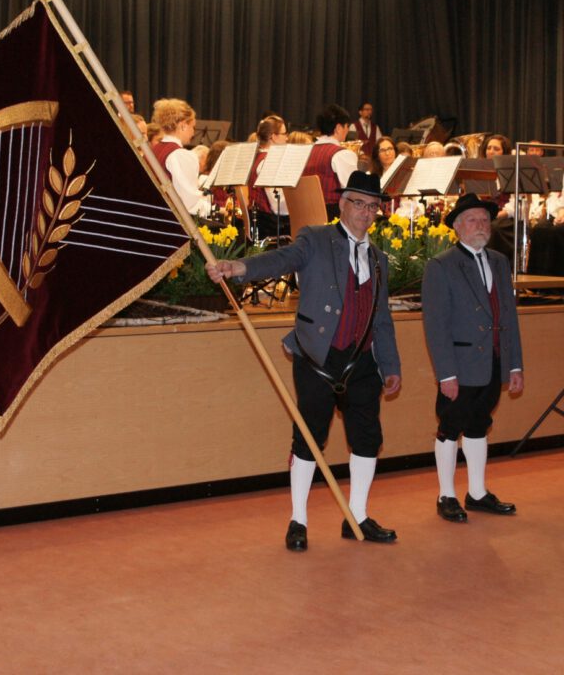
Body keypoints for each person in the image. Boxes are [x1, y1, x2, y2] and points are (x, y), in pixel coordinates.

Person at [207, 171, 402, 550]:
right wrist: (236, 268)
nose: (365, 212)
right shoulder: (316, 239)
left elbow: (382, 317)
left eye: (372, 206)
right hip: (317, 356)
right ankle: (298, 519)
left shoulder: (379, 259)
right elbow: (282, 259)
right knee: (309, 437)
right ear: (342, 204)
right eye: (358, 203)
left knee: (367, 437)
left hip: (362, 362)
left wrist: (390, 365)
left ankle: (357, 517)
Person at [421, 193, 523, 523]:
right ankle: (446, 495)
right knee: (451, 427)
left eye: (484, 220)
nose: (481, 225)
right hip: (460, 366)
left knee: (480, 425)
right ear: (457, 227)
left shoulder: (499, 261)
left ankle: (477, 492)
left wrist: (514, 363)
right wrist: (446, 374)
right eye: (473, 220)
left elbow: (509, 316)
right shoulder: (441, 266)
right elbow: (435, 325)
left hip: (492, 361)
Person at [150, 98, 212, 217]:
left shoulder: (154, 150)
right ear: (183, 126)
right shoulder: (181, 155)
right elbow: (190, 205)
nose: (193, 133)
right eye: (193, 127)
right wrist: (216, 209)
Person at [306, 104, 360, 219]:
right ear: (339, 128)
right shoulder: (342, 154)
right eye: (346, 126)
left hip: (306, 221)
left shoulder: (305, 152)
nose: (347, 130)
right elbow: (354, 192)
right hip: (331, 220)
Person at [246, 115, 290, 238]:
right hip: (269, 225)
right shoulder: (269, 161)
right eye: (284, 133)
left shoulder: (257, 157)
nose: (287, 138)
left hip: (260, 221)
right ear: (274, 137)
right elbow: (278, 206)